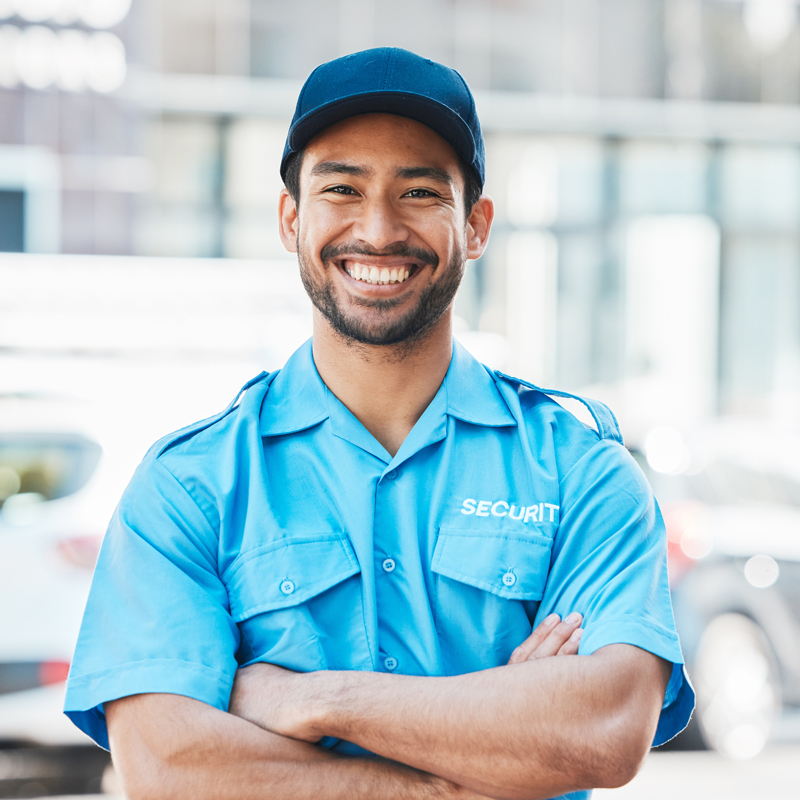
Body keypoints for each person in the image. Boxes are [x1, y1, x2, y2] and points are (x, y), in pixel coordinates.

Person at [64, 47, 694, 800]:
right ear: (291, 217)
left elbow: (605, 729)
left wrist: (310, 700)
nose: (378, 228)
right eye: (341, 187)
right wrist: (476, 766)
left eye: (421, 191)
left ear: (478, 224)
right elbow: (167, 766)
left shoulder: (582, 474)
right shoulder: (190, 487)